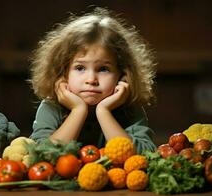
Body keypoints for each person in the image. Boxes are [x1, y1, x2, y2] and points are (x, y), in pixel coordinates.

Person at [28, 7, 156, 154]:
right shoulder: (52, 107)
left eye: (103, 69)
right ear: (63, 72)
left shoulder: (130, 109)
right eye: (80, 68)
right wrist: (78, 110)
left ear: (122, 74)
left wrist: (104, 112)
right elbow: (42, 156)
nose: (91, 80)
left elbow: (143, 156)